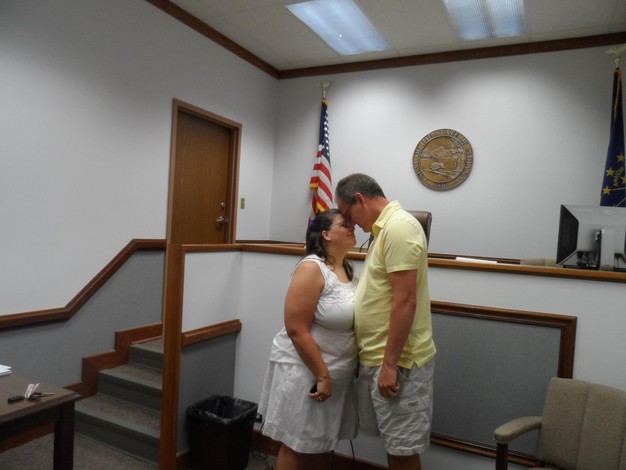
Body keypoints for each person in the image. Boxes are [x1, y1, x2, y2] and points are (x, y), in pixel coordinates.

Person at [335, 173, 436, 470]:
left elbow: (405, 301)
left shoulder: (399, 228)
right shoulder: (384, 230)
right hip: (380, 357)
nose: (350, 223)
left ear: (360, 200)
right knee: (395, 447)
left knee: (403, 452)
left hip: (398, 361)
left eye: (347, 214)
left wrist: (390, 364)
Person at [258, 209, 359, 469]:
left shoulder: (347, 268)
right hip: (308, 372)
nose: (353, 227)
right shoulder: (311, 268)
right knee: (297, 445)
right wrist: (322, 375)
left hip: (337, 372)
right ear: (326, 234)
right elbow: (296, 329)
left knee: (320, 442)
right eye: (344, 224)